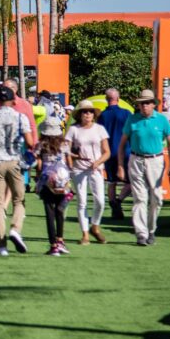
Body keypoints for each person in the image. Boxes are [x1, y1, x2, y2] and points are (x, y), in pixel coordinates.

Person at [0, 86, 35, 256]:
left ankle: (1, 245)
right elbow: (30, 142)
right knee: (19, 200)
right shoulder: (20, 117)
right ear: (13, 100)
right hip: (15, 161)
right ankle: (15, 229)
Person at [117, 89, 170, 247]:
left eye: (147, 103)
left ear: (153, 105)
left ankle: (151, 230)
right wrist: (120, 166)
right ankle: (141, 234)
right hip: (136, 160)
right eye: (142, 103)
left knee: (156, 198)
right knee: (140, 198)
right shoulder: (132, 120)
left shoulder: (162, 120)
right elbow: (122, 144)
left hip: (156, 160)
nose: (144, 106)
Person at [65, 100, 110, 245]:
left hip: (96, 168)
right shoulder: (73, 129)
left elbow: (107, 152)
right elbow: (66, 150)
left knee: (100, 201)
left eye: (90, 111)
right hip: (79, 169)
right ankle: (85, 234)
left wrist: (98, 162)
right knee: (82, 201)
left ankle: (95, 227)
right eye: (85, 112)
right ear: (79, 115)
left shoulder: (99, 129)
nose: (88, 114)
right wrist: (74, 159)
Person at [35, 118, 71, 257]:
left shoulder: (41, 145)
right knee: (60, 212)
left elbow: (38, 164)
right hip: (62, 181)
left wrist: (38, 175)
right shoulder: (64, 144)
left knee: (49, 213)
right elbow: (68, 162)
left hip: (47, 182)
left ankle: (53, 245)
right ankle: (60, 240)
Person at [98, 88, 132, 220]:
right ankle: (118, 201)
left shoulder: (101, 116)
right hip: (126, 152)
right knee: (131, 182)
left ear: (106, 99)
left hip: (109, 152)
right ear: (118, 99)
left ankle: (114, 205)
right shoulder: (126, 114)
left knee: (112, 182)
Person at [4, 79, 39, 145]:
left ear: (15, 89)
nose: (4, 91)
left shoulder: (25, 105)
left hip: (19, 147)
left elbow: (32, 126)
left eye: (7, 88)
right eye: (3, 88)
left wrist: (34, 146)